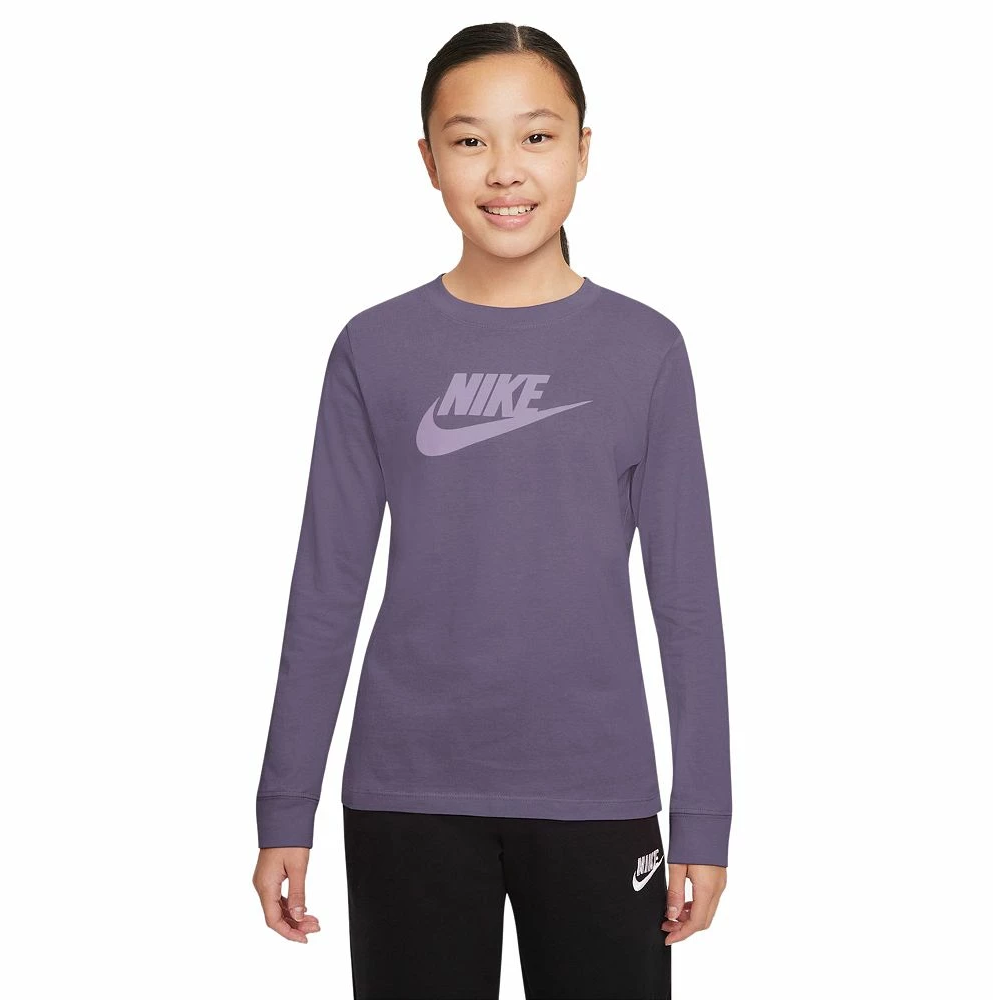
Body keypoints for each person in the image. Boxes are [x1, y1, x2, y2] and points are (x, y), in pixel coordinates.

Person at [251, 21, 731, 1000]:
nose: (505, 169)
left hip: (597, 790)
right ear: (428, 160)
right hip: (407, 790)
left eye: (536, 136)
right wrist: (284, 804)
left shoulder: (645, 350)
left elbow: (686, 600)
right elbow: (326, 588)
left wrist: (704, 817)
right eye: (470, 139)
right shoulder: (374, 348)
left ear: (583, 150)